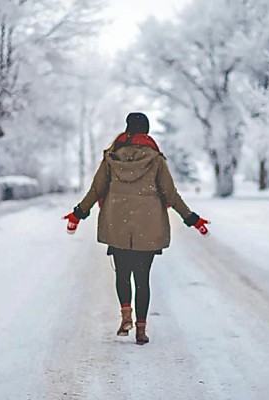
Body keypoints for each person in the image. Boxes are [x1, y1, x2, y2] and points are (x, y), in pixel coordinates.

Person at [63, 112, 210, 345]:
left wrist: (78, 213)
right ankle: (141, 331)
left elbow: (96, 190)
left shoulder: (112, 157)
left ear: (128, 130)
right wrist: (192, 219)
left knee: (122, 274)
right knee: (142, 279)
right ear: (147, 132)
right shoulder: (156, 160)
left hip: (117, 223)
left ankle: (125, 316)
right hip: (148, 225)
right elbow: (170, 194)